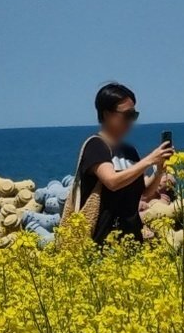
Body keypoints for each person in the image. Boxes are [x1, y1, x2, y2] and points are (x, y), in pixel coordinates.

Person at [73, 82, 173, 244]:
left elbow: (145, 193)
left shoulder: (129, 151)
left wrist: (159, 168)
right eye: (127, 115)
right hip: (102, 241)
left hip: (131, 238)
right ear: (107, 115)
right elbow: (112, 182)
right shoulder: (96, 146)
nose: (131, 121)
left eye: (134, 115)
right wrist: (149, 160)